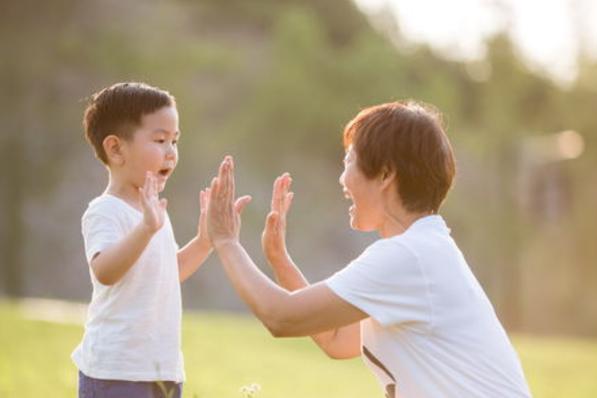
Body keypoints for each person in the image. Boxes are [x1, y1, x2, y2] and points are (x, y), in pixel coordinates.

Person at [206, 100, 531, 397]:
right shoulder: (422, 250)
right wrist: (280, 261)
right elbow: (338, 340)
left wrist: (225, 241)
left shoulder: (408, 257)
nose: (342, 178)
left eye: (349, 161)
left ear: (386, 173)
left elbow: (281, 318)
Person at [72, 82, 212, 398]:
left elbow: (167, 272)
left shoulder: (152, 212)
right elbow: (105, 270)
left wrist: (205, 241)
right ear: (116, 148)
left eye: (175, 141)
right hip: (117, 371)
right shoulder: (106, 210)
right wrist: (146, 228)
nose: (171, 152)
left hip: (162, 369)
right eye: (160, 140)